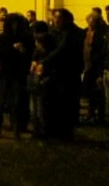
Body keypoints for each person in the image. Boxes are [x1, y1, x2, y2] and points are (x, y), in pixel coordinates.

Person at [37, 9, 83, 140]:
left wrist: (44, 62)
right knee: (55, 103)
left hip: (69, 74)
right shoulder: (55, 31)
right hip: (56, 73)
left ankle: (65, 132)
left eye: (58, 18)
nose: (55, 20)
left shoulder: (73, 33)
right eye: (54, 18)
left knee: (68, 104)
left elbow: (61, 50)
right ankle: (54, 130)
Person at [0, 13, 31, 140]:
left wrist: (23, 52)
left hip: (18, 74)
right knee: (1, 103)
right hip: (4, 74)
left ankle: (16, 129)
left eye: (17, 24)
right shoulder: (1, 38)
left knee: (16, 103)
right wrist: (12, 48)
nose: (14, 26)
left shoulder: (24, 38)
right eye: (12, 23)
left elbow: (29, 55)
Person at [30, 21, 56, 139]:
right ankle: (38, 129)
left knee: (40, 106)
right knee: (36, 106)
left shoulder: (48, 43)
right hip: (37, 75)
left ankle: (42, 130)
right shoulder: (40, 42)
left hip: (43, 76)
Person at [82, 12, 107, 124]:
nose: (90, 24)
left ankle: (100, 115)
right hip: (87, 65)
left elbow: (100, 51)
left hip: (96, 66)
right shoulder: (86, 31)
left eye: (92, 22)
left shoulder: (102, 33)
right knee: (89, 91)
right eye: (89, 22)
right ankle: (91, 112)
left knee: (99, 92)